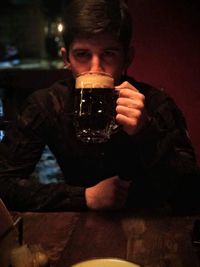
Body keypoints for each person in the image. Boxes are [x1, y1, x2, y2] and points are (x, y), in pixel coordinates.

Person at [0, 0, 199, 213]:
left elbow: (190, 195)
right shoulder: (47, 104)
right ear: (66, 58)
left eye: (108, 53)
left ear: (127, 58)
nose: (96, 68)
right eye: (83, 55)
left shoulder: (155, 104)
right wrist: (83, 197)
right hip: (77, 229)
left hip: (149, 228)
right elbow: (4, 183)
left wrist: (146, 132)